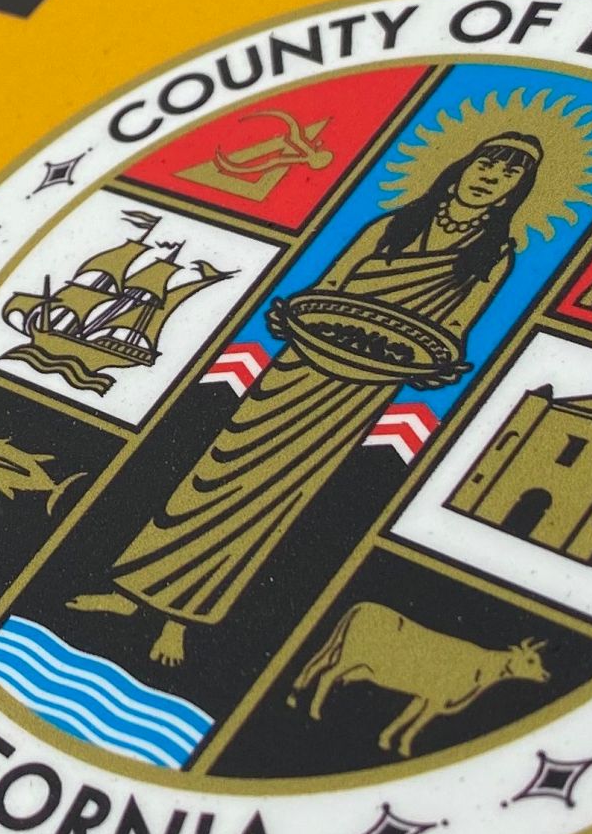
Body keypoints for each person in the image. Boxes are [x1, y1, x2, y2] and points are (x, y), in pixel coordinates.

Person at [70, 133, 542, 665]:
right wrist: (288, 315)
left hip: (360, 389)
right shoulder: (392, 224)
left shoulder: (494, 255)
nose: (491, 178)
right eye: (488, 162)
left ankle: (179, 620)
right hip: (300, 364)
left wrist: (439, 365)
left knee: (274, 501)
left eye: (509, 177)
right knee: (209, 479)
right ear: (463, 162)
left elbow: (457, 326)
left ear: (512, 195)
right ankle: (131, 592)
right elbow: (328, 285)